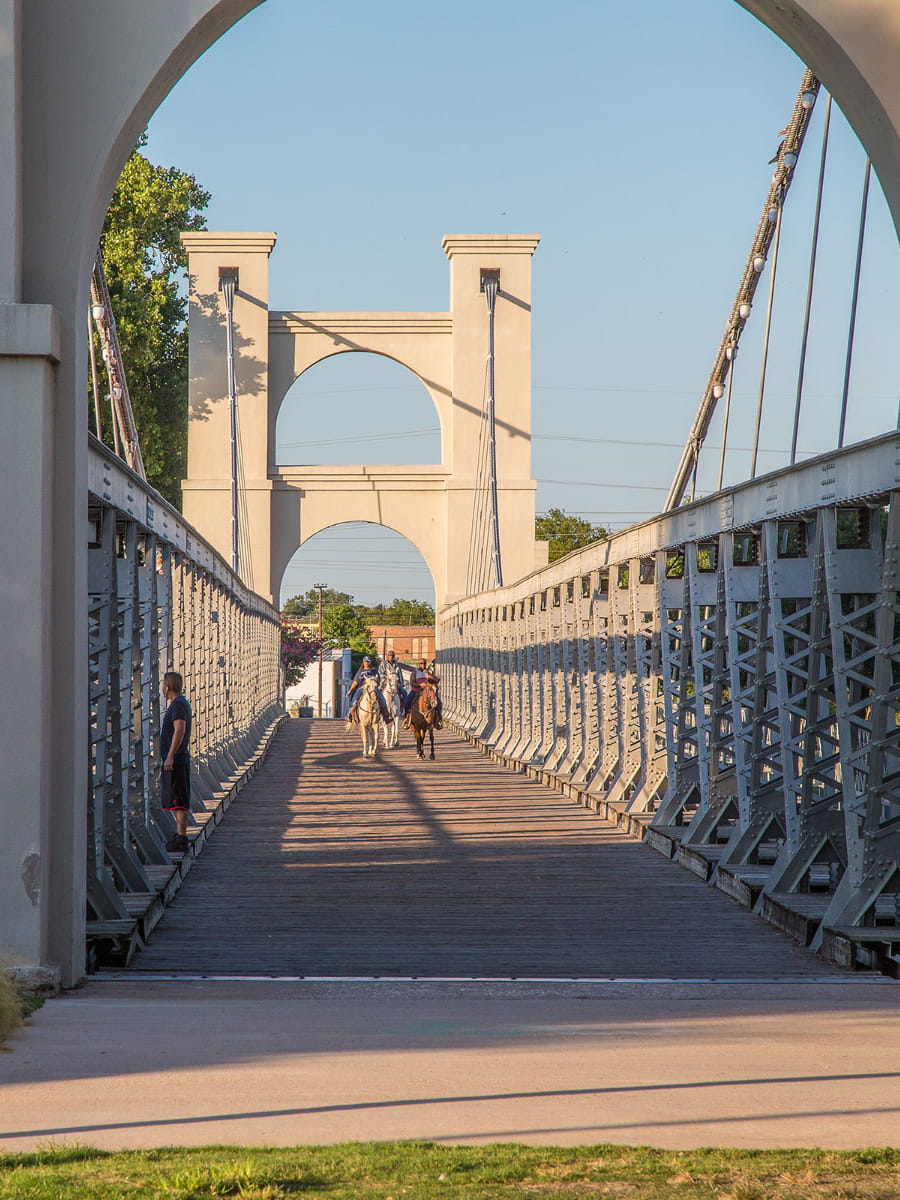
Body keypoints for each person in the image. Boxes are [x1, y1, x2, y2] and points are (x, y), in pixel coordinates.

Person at [160, 670, 192, 853]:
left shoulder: (178, 705)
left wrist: (171, 755)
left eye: (163, 685)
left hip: (177, 758)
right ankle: (180, 836)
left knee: (178, 797)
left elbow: (179, 730)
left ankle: (181, 837)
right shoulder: (179, 703)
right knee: (176, 796)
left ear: (168, 687)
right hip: (178, 757)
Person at [345, 655, 391, 722]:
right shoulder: (360, 671)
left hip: (373, 688)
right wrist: (350, 691)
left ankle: (386, 716)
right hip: (361, 688)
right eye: (365, 661)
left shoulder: (374, 670)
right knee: (354, 700)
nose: (367, 663)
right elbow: (355, 682)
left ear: (370, 662)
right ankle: (349, 715)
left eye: (368, 661)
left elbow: (378, 680)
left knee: (382, 700)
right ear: (363, 662)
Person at [402, 658, 443, 728]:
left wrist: (430, 675)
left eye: (424, 663)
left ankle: (439, 719)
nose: (423, 665)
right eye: (421, 663)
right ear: (419, 664)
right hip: (416, 690)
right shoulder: (415, 672)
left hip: (428, 691)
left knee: (439, 703)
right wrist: (420, 685)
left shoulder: (428, 672)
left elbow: (436, 681)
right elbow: (412, 683)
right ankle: (406, 718)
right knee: (406, 701)